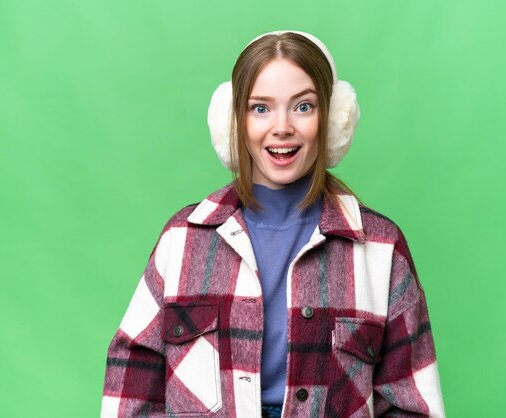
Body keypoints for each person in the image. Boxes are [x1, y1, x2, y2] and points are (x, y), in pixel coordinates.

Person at [101, 31, 445, 418]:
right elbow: (130, 390)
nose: (281, 127)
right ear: (233, 124)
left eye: (303, 107)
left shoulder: (381, 248)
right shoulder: (182, 239)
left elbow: (413, 405)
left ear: (333, 121)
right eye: (260, 108)